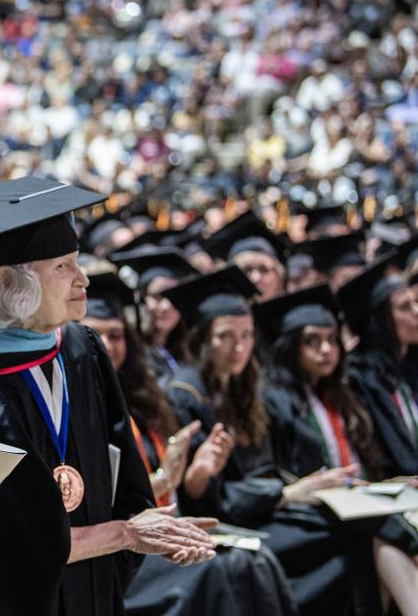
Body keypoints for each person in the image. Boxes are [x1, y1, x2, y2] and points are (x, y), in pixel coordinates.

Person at [0, 178, 216, 616]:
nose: (83, 279)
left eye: (77, 262)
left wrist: (148, 523)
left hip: (95, 591)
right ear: (8, 281)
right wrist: (126, 533)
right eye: (62, 266)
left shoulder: (81, 349)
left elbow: (127, 484)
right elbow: (10, 542)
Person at [163, 269, 408, 614]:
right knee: (353, 536)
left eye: (247, 335)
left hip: (260, 508)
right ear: (203, 338)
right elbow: (207, 497)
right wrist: (285, 493)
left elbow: (260, 470)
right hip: (228, 523)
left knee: (366, 528)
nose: (239, 347)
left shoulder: (239, 388)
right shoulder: (185, 396)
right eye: (226, 336)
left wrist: (296, 490)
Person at [81, 270, 298, 616]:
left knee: (252, 562)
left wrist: (177, 476)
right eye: (95, 335)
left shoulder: (141, 400)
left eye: (117, 335)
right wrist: (170, 478)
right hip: (115, 550)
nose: (107, 345)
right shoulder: (79, 409)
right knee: (224, 569)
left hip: (160, 524)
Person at [256, 284, 418, 615]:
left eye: (332, 339)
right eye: (312, 341)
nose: (326, 349)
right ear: (292, 347)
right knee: (387, 533)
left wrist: (391, 484)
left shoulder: (343, 395)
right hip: (310, 515)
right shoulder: (276, 401)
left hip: (359, 503)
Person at [340, 252, 418, 478]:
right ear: (382, 320)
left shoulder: (409, 369)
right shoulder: (359, 378)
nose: (416, 312)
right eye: (404, 307)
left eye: (416, 303)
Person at [108, 246, 199, 381]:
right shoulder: (131, 358)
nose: (166, 306)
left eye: (173, 296)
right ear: (141, 300)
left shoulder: (186, 351)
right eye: (157, 296)